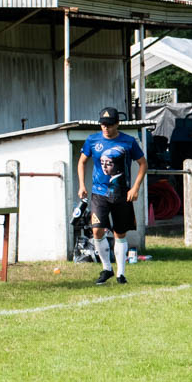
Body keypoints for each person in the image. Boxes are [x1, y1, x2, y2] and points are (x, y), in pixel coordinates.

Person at [78, 108, 145, 286]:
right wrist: (82, 185)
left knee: (120, 233)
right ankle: (107, 268)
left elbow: (143, 164)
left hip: (121, 194)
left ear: (117, 124)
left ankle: (120, 274)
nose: (105, 127)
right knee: (97, 230)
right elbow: (82, 162)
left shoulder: (129, 141)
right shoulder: (92, 140)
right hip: (99, 193)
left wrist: (135, 188)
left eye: (109, 124)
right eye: (103, 124)